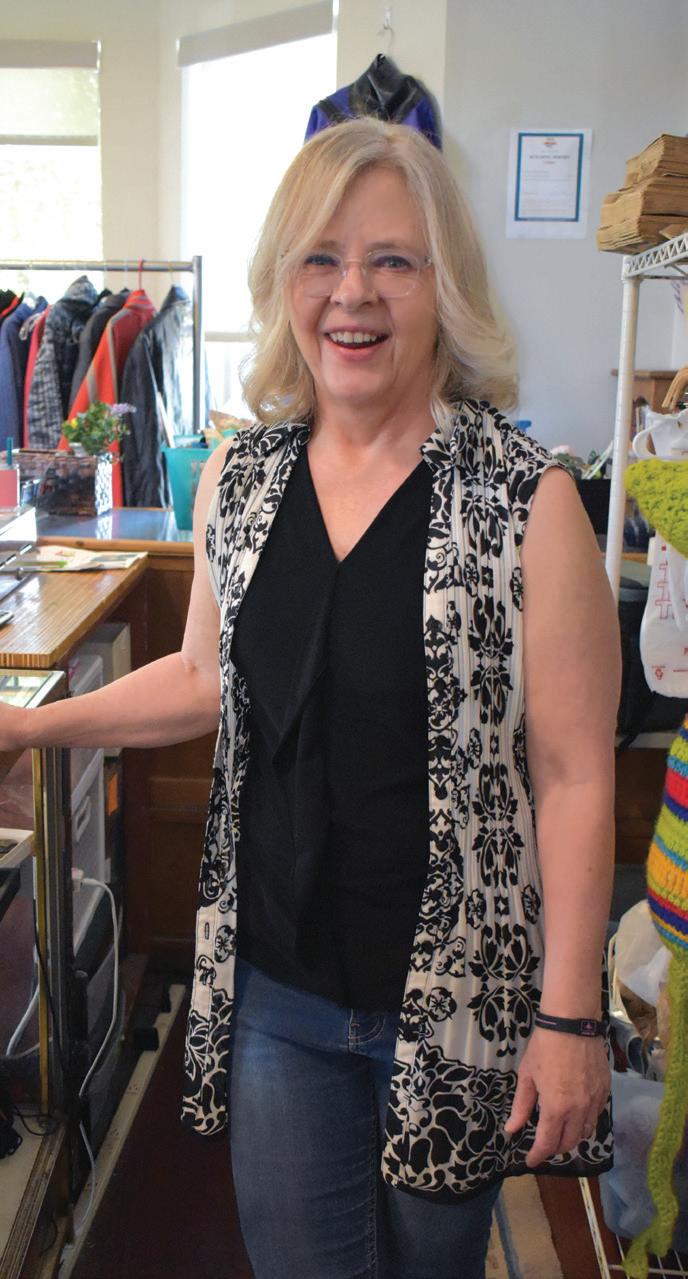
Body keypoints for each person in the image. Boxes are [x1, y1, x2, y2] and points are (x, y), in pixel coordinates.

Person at [0, 119, 621, 1278]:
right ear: (283, 281)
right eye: (321, 258)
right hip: (278, 993)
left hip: (456, 1003)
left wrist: (570, 1016)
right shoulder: (240, 481)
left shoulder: (524, 501)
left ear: (446, 284)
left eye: (393, 260)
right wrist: (34, 725)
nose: (353, 293)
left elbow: (575, 773)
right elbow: (202, 677)